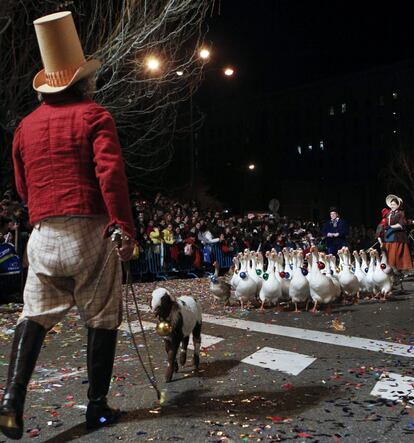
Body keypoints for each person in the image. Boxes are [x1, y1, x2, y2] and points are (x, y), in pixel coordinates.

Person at [0, 11, 135, 439]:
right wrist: (123, 226)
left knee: (34, 315)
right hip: (88, 230)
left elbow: (22, 187)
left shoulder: (24, 126)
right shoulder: (95, 116)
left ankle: (11, 401)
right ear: (82, 80)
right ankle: (96, 406)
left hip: (42, 234)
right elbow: (110, 176)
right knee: (101, 316)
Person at [380, 194, 412, 274]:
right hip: (389, 237)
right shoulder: (389, 214)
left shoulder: (400, 213)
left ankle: (399, 271)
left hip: (398, 237)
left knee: (396, 255)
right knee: (388, 254)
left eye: (394, 204)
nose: (392, 205)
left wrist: (390, 227)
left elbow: (401, 225)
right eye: (391, 204)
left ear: (398, 205)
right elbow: (384, 223)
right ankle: (391, 270)